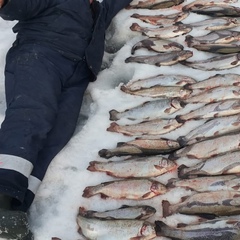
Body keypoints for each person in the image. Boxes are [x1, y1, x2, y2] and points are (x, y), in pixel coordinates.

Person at [0, 0, 132, 238]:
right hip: (40, 55)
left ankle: (17, 210)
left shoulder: (98, 10)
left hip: (77, 74)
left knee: (56, 136)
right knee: (31, 116)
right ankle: (1, 198)